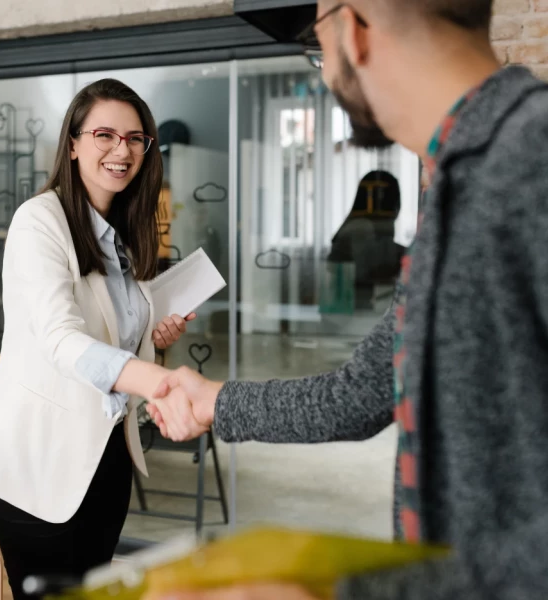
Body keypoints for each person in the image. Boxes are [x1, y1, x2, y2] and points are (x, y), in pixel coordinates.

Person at [146, 0, 548, 598]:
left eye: (317, 43)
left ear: (352, 29)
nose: (324, 69)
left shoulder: (530, 162)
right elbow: (364, 392)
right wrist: (215, 401)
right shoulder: (458, 185)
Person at [0, 78, 195, 597]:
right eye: (105, 135)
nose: (122, 150)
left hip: (106, 455)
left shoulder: (124, 231)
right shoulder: (39, 222)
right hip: (39, 465)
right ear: (72, 144)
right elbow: (60, 338)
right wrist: (160, 379)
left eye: (135, 138)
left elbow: (112, 334)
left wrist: (153, 337)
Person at [327, 169, 406, 309]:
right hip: (346, 312)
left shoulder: (363, 225)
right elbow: (368, 269)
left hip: (356, 308)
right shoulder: (361, 226)